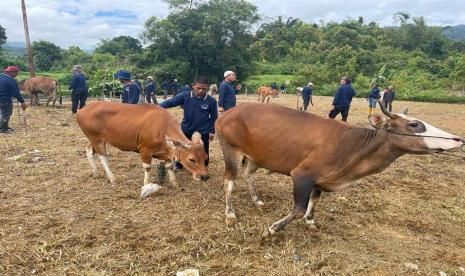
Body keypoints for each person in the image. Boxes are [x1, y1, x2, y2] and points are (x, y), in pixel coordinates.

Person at [160, 76, 217, 167]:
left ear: (207, 88)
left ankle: (203, 165)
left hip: (203, 130)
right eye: (198, 88)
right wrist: (156, 107)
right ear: (193, 86)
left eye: (204, 89)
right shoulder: (185, 95)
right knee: (183, 148)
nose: (201, 91)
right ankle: (179, 164)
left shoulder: (211, 101)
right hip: (186, 128)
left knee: (203, 149)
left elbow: (214, 116)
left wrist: (211, 131)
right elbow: (171, 102)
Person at [0, 66, 26, 133]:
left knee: (2, 113)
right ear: (12, 72)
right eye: (17, 73)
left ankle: (4, 126)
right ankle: (3, 129)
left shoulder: (1, 76)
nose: (17, 74)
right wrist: (22, 102)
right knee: (6, 114)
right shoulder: (12, 81)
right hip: (5, 100)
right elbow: (16, 93)